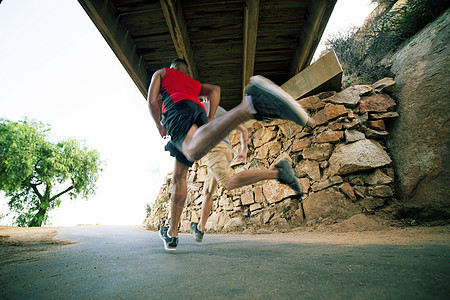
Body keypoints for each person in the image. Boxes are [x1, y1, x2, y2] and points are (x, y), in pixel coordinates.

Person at [148, 58, 315, 251]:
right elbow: (215, 90)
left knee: (195, 154)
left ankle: (250, 106)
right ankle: (173, 233)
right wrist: (209, 120)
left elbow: (152, 101)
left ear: (172, 68)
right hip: (198, 117)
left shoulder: (163, 73)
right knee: (181, 176)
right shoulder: (193, 85)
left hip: (180, 115)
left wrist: (159, 126)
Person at [189, 101, 302, 243]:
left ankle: (277, 172)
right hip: (226, 151)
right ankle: (200, 228)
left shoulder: (199, 107)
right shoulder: (224, 111)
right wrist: (243, 150)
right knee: (207, 192)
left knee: (229, 183)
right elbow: (243, 130)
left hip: (214, 151)